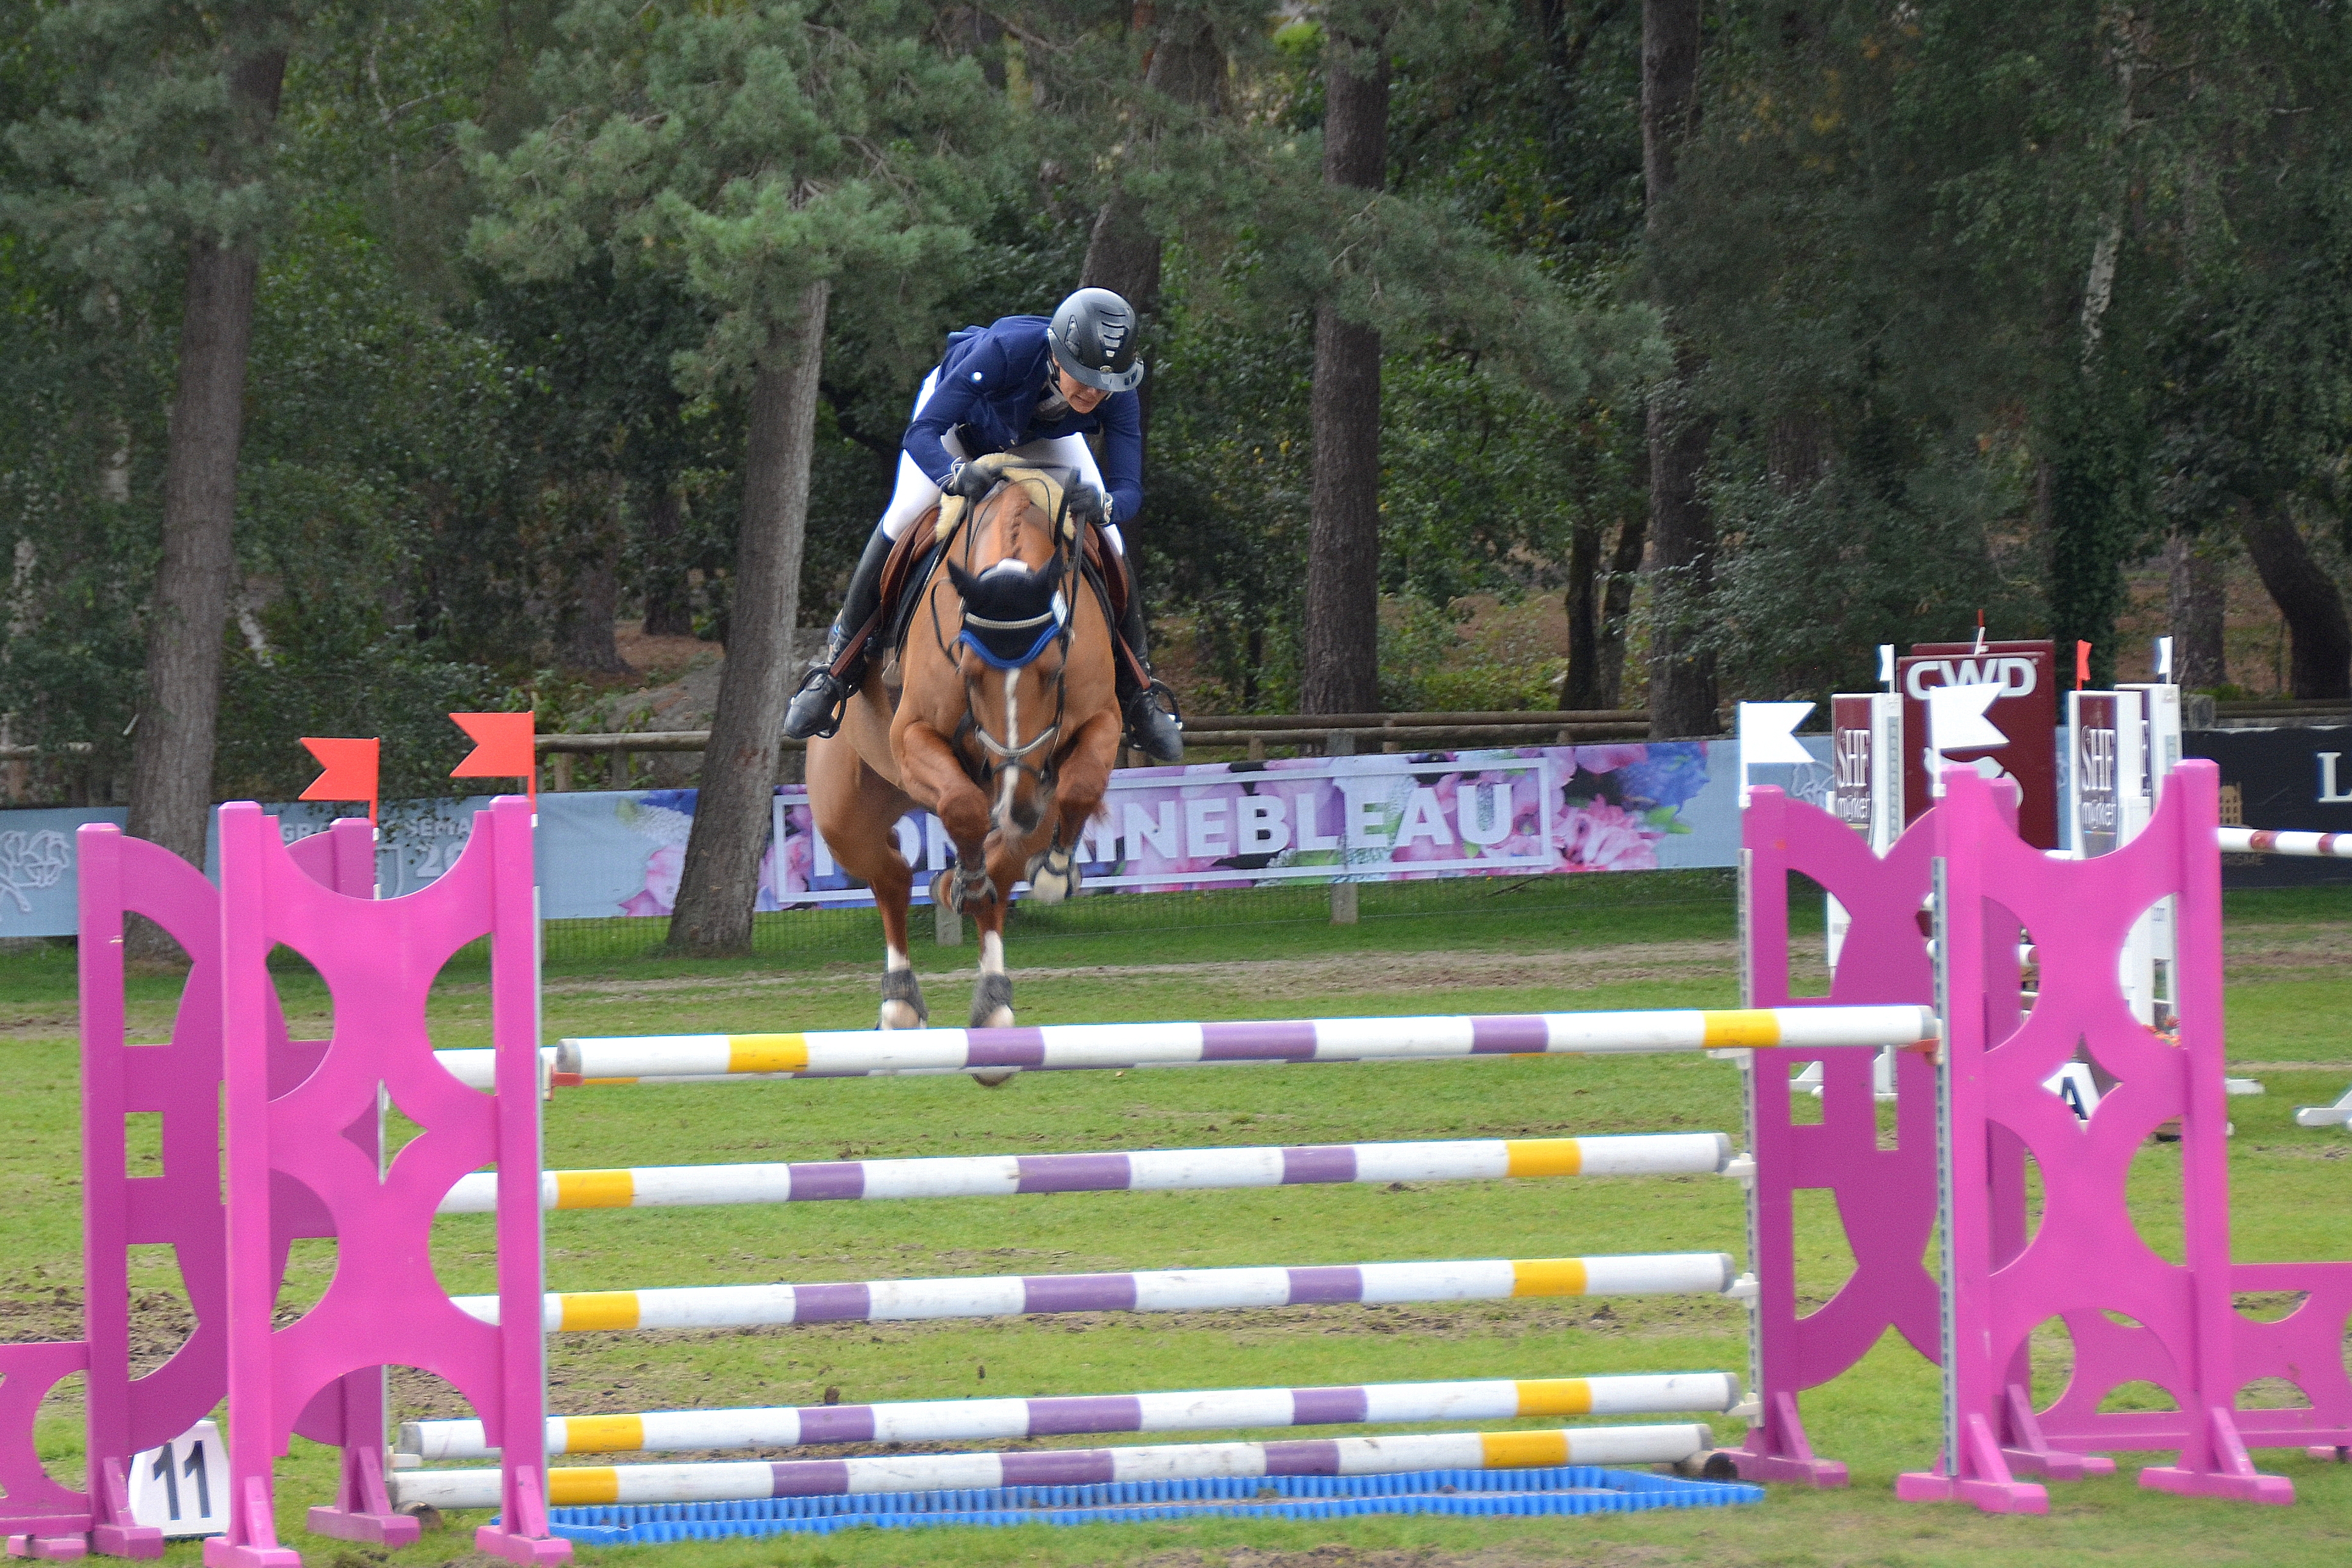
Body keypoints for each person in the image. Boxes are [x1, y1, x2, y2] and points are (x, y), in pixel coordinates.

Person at [782, 287, 1185, 761]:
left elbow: (1129, 489)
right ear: (1057, 357)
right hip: (957, 428)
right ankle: (836, 667)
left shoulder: (1114, 391)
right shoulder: (1005, 351)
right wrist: (953, 475)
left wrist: (1106, 505)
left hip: (1036, 441)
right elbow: (922, 433)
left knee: (1109, 540)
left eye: (1106, 382)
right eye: (1083, 376)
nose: (1094, 392)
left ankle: (1140, 690)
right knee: (906, 512)